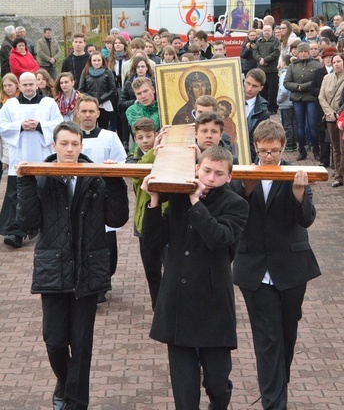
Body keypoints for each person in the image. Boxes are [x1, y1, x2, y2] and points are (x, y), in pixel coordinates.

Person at [16, 121, 129, 410]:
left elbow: (116, 219)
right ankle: (65, 381)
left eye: (74, 144)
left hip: (88, 269)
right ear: (53, 146)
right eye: (64, 143)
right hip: (53, 269)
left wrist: (115, 180)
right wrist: (26, 182)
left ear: (81, 146)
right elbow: (27, 225)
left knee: (81, 343)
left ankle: (77, 402)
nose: (69, 149)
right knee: (54, 340)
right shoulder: (41, 177)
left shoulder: (96, 178)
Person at [141, 145, 249, 410]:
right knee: (184, 395)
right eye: (207, 170)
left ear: (229, 177)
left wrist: (195, 202)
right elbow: (154, 243)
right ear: (197, 169)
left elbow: (218, 239)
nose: (211, 178)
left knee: (218, 383)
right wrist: (154, 200)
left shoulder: (236, 204)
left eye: (218, 173)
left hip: (213, 305)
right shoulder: (178, 197)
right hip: (178, 302)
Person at [232, 119, 321, 410]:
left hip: (291, 267)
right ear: (255, 147)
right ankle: (273, 402)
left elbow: (306, 219)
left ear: (283, 148)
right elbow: (235, 218)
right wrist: (245, 190)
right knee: (267, 337)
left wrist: (298, 195)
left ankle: (276, 385)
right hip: (255, 268)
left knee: (287, 332)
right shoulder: (244, 174)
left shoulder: (296, 174)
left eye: (274, 151)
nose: (268, 156)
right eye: (263, 151)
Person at [0, 72, 63, 248]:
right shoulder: (10, 105)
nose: (28, 88)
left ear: (37, 84)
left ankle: (48, 229)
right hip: (18, 158)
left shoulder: (49, 103)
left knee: (45, 193)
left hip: (43, 156)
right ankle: (15, 232)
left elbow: (58, 125)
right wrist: (19, 126)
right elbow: (2, 125)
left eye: (31, 84)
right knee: (16, 196)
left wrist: (40, 126)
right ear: (19, 86)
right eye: (25, 85)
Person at [76, 97, 127, 302]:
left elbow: (120, 164)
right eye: (84, 111)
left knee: (106, 245)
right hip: (79, 197)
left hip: (103, 198)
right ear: (78, 113)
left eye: (91, 111)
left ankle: (102, 284)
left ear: (98, 113)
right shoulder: (71, 137)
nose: (87, 115)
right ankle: (83, 281)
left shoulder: (110, 137)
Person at [125, 118, 164, 309]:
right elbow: (137, 173)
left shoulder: (165, 154)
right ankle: (157, 306)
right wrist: (153, 153)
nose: (145, 141)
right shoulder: (133, 158)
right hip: (144, 220)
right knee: (151, 269)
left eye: (149, 136)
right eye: (140, 137)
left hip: (164, 218)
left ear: (156, 134)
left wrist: (158, 152)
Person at [284, 42, 321, 161]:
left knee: (312, 126)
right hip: (297, 99)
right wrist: (297, 87)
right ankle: (302, 150)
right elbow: (287, 82)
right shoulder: (292, 66)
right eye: (301, 52)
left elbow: (317, 81)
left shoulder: (316, 64)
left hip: (310, 98)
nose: (304, 54)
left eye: (306, 51)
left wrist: (302, 86)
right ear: (298, 53)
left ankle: (316, 149)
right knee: (299, 126)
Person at [319, 52, 344, 187]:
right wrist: (330, 113)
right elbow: (321, 97)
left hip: (343, 118)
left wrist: (338, 114)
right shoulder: (327, 78)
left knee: (343, 147)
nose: (336, 64)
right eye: (334, 62)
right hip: (330, 118)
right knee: (335, 148)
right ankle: (339, 176)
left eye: (339, 61)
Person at [310, 45, 338, 167]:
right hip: (321, 107)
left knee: (335, 137)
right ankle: (324, 159)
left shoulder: (338, 73)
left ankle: (335, 161)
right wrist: (322, 93)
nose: (328, 59)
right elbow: (312, 88)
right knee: (323, 134)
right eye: (326, 57)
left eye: (331, 57)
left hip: (335, 108)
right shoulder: (318, 72)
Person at [79, 52, 116, 130]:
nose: (96, 62)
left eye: (99, 60)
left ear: (102, 61)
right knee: (90, 127)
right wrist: (91, 99)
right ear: (90, 61)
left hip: (104, 104)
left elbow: (112, 89)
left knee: (103, 127)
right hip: (89, 103)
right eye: (94, 60)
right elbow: (81, 89)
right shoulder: (85, 71)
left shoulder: (108, 71)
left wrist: (100, 99)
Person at [244, 69, 270, 163]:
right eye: (248, 83)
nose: (249, 88)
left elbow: (258, 140)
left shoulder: (263, 112)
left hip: (248, 156)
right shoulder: (232, 99)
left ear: (261, 88)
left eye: (254, 86)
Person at [253, 24, 280, 114]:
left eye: (268, 30)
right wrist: (259, 59)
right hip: (261, 70)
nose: (266, 32)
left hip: (272, 70)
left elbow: (276, 52)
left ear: (272, 31)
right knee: (262, 90)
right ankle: (263, 107)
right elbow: (255, 52)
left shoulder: (275, 41)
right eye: (264, 31)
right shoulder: (259, 41)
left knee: (272, 91)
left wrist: (265, 59)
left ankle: (272, 108)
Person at [277, 54, 298, 151]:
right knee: (293, 123)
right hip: (293, 101)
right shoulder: (294, 72)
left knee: (287, 124)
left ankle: (289, 143)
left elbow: (283, 90)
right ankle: (294, 143)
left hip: (285, 103)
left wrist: (279, 100)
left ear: (284, 62)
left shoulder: (284, 74)